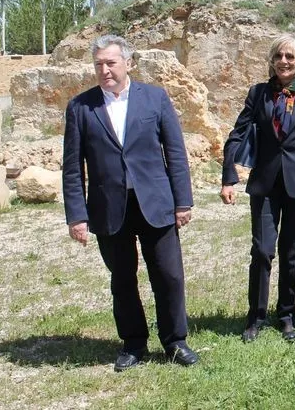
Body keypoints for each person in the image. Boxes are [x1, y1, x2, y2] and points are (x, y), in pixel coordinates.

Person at [62, 35, 199, 372]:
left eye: (111, 63)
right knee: (122, 279)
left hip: (155, 203)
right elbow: (73, 167)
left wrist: (183, 201)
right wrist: (77, 216)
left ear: (128, 63)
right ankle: (133, 343)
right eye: (98, 64)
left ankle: (175, 342)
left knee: (169, 276)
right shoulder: (80, 107)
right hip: (109, 207)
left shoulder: (155, 98)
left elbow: (175, 152)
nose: (104, 70)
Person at [220, 33, 295, 343]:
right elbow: (237, 134)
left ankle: (287, 315)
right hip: (265, 184)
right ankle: (256, 317)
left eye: (290, 57)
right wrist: (228, 177)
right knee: (262, 251)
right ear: (272, 60)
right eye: (279, 56)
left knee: (291, 254)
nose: (284, 61)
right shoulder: (258, 93)